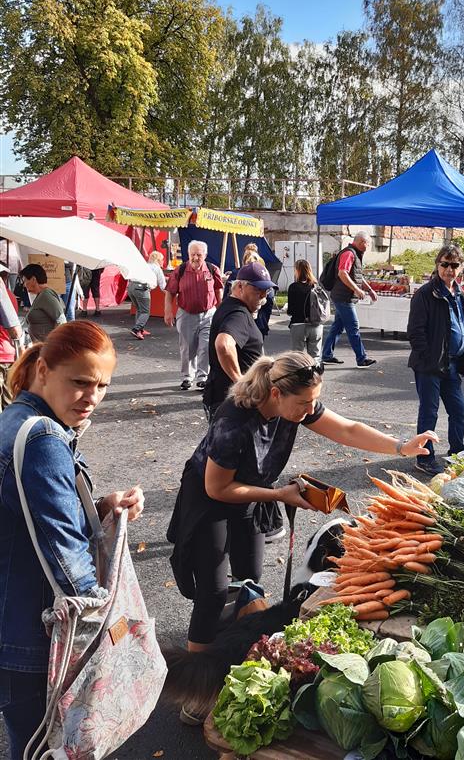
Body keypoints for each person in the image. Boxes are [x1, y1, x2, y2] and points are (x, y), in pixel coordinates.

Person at [167, 350, 438, 721]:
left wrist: (399, 447)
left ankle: (231, 662)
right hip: (210, 499)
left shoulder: (296, 403)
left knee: (250, 579)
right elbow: (217, 488)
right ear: (276, 394)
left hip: (251, 489)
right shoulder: (234, 421)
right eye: (303, 404)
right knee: (212, 592)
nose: (309, 410)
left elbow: (345, 428)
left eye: (313, 402)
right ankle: (194, 690)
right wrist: (280, 494)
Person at [0, 321, 144, 759]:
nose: (92, 397)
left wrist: (100, 507)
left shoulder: (14, 420)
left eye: (101, 385)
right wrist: (113, 628)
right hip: (33, 632)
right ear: (43, 370)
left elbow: (28, 517)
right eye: (80, 382)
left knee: (28, 741)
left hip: (13, 620)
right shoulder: (43, 437)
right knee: (44, 747)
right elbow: (70, 565)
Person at [407, 244, 464, 476]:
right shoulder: (426, 294)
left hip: (452, 364)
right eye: (445, 264)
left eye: (454, 265)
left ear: (461, 267)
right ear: (437, 266)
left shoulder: (459, 294)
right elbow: (415, 332)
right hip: (430, 365)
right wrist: (428, 358)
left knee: (459, 409)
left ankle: (457, 451)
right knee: (429, 412)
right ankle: (424, 458)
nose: (449, 269)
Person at [203, 261, 276, 421]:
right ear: (239, 287)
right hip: (233, 403)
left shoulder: (231, 306)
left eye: (266, 290)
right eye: (257, 289)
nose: (263, 296)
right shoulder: (238, 314)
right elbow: (223, 344)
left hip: (225, 399)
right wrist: (240, 381)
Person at [164, 240, 225, 391]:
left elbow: (218, 290)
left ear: (205, 255)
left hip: (208, 314)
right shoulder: (181, 270)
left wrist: (222, 311)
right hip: (186, 314)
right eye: (192, 254)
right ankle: (187, 377)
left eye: (199, 254)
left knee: (205, 347)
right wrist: (168, 311)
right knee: (188, 348)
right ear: (188, 254)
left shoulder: (212, 269)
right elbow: (170, 292)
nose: (195, 258)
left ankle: (202, 377)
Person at [322, 231, 378, 368]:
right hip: (343, 297)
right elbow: (343, 273)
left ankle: (326, 355)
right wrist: (356, 289)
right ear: (361, 242)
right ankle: (361, 358)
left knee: (337, 328)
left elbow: (357, 276)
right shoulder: (349, 253)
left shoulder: (355, 254)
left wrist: (369, 290)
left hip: (343, 296)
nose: (369, 247)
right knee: (353, 328)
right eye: (368, 244)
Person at [19, 263, 66, 342]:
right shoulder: (42, 294)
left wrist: (51, 344)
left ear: (33, 279)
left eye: (25, 280)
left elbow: (61, 320)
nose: (24, 285)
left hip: (47, 348)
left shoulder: (46, 295)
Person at [287, 259, 323, 363]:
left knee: (297, 357)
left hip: (298, 324)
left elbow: (291, 310)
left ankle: (300, 378)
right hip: (316, 325)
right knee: (315, 356)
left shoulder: (293, 287)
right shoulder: (316, 287)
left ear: (297, 271)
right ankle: (315, 376)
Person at [127, 251, 167, 340]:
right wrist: (171, 294)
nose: (163, 262)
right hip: (142, 288)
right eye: (162, 260)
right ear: (158, 260)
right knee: (145, 311)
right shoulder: (157, 268)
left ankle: (140, 329)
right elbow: (163, 286)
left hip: (131, 287)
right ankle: (136, 329)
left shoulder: (143, 265)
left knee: (139, 309)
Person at [0, 268, 22, 411]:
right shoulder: (10, 296)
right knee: (9, 403)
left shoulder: (5, 295)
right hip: (7, 351)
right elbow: (15, 330)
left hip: (3, 353)